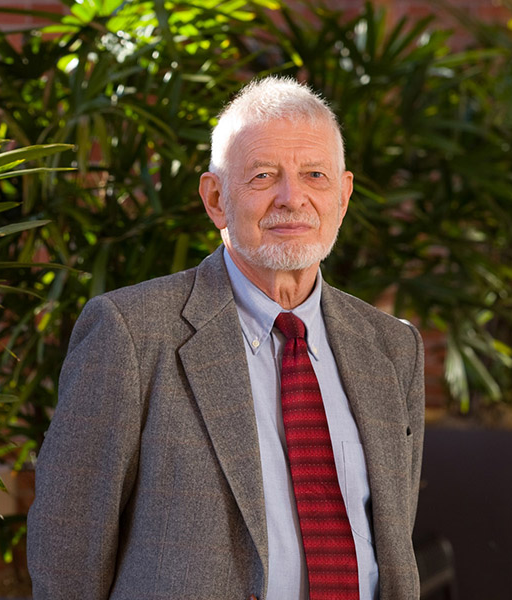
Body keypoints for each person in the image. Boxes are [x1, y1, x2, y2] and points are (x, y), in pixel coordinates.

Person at [27, 76, 425, 600]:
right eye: (263, 176)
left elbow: (393, 544)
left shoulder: (393, 349)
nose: (292, 198)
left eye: (314, 175)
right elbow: (67, 557)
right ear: (216, 199)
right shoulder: (129, 333)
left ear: (343, 195)